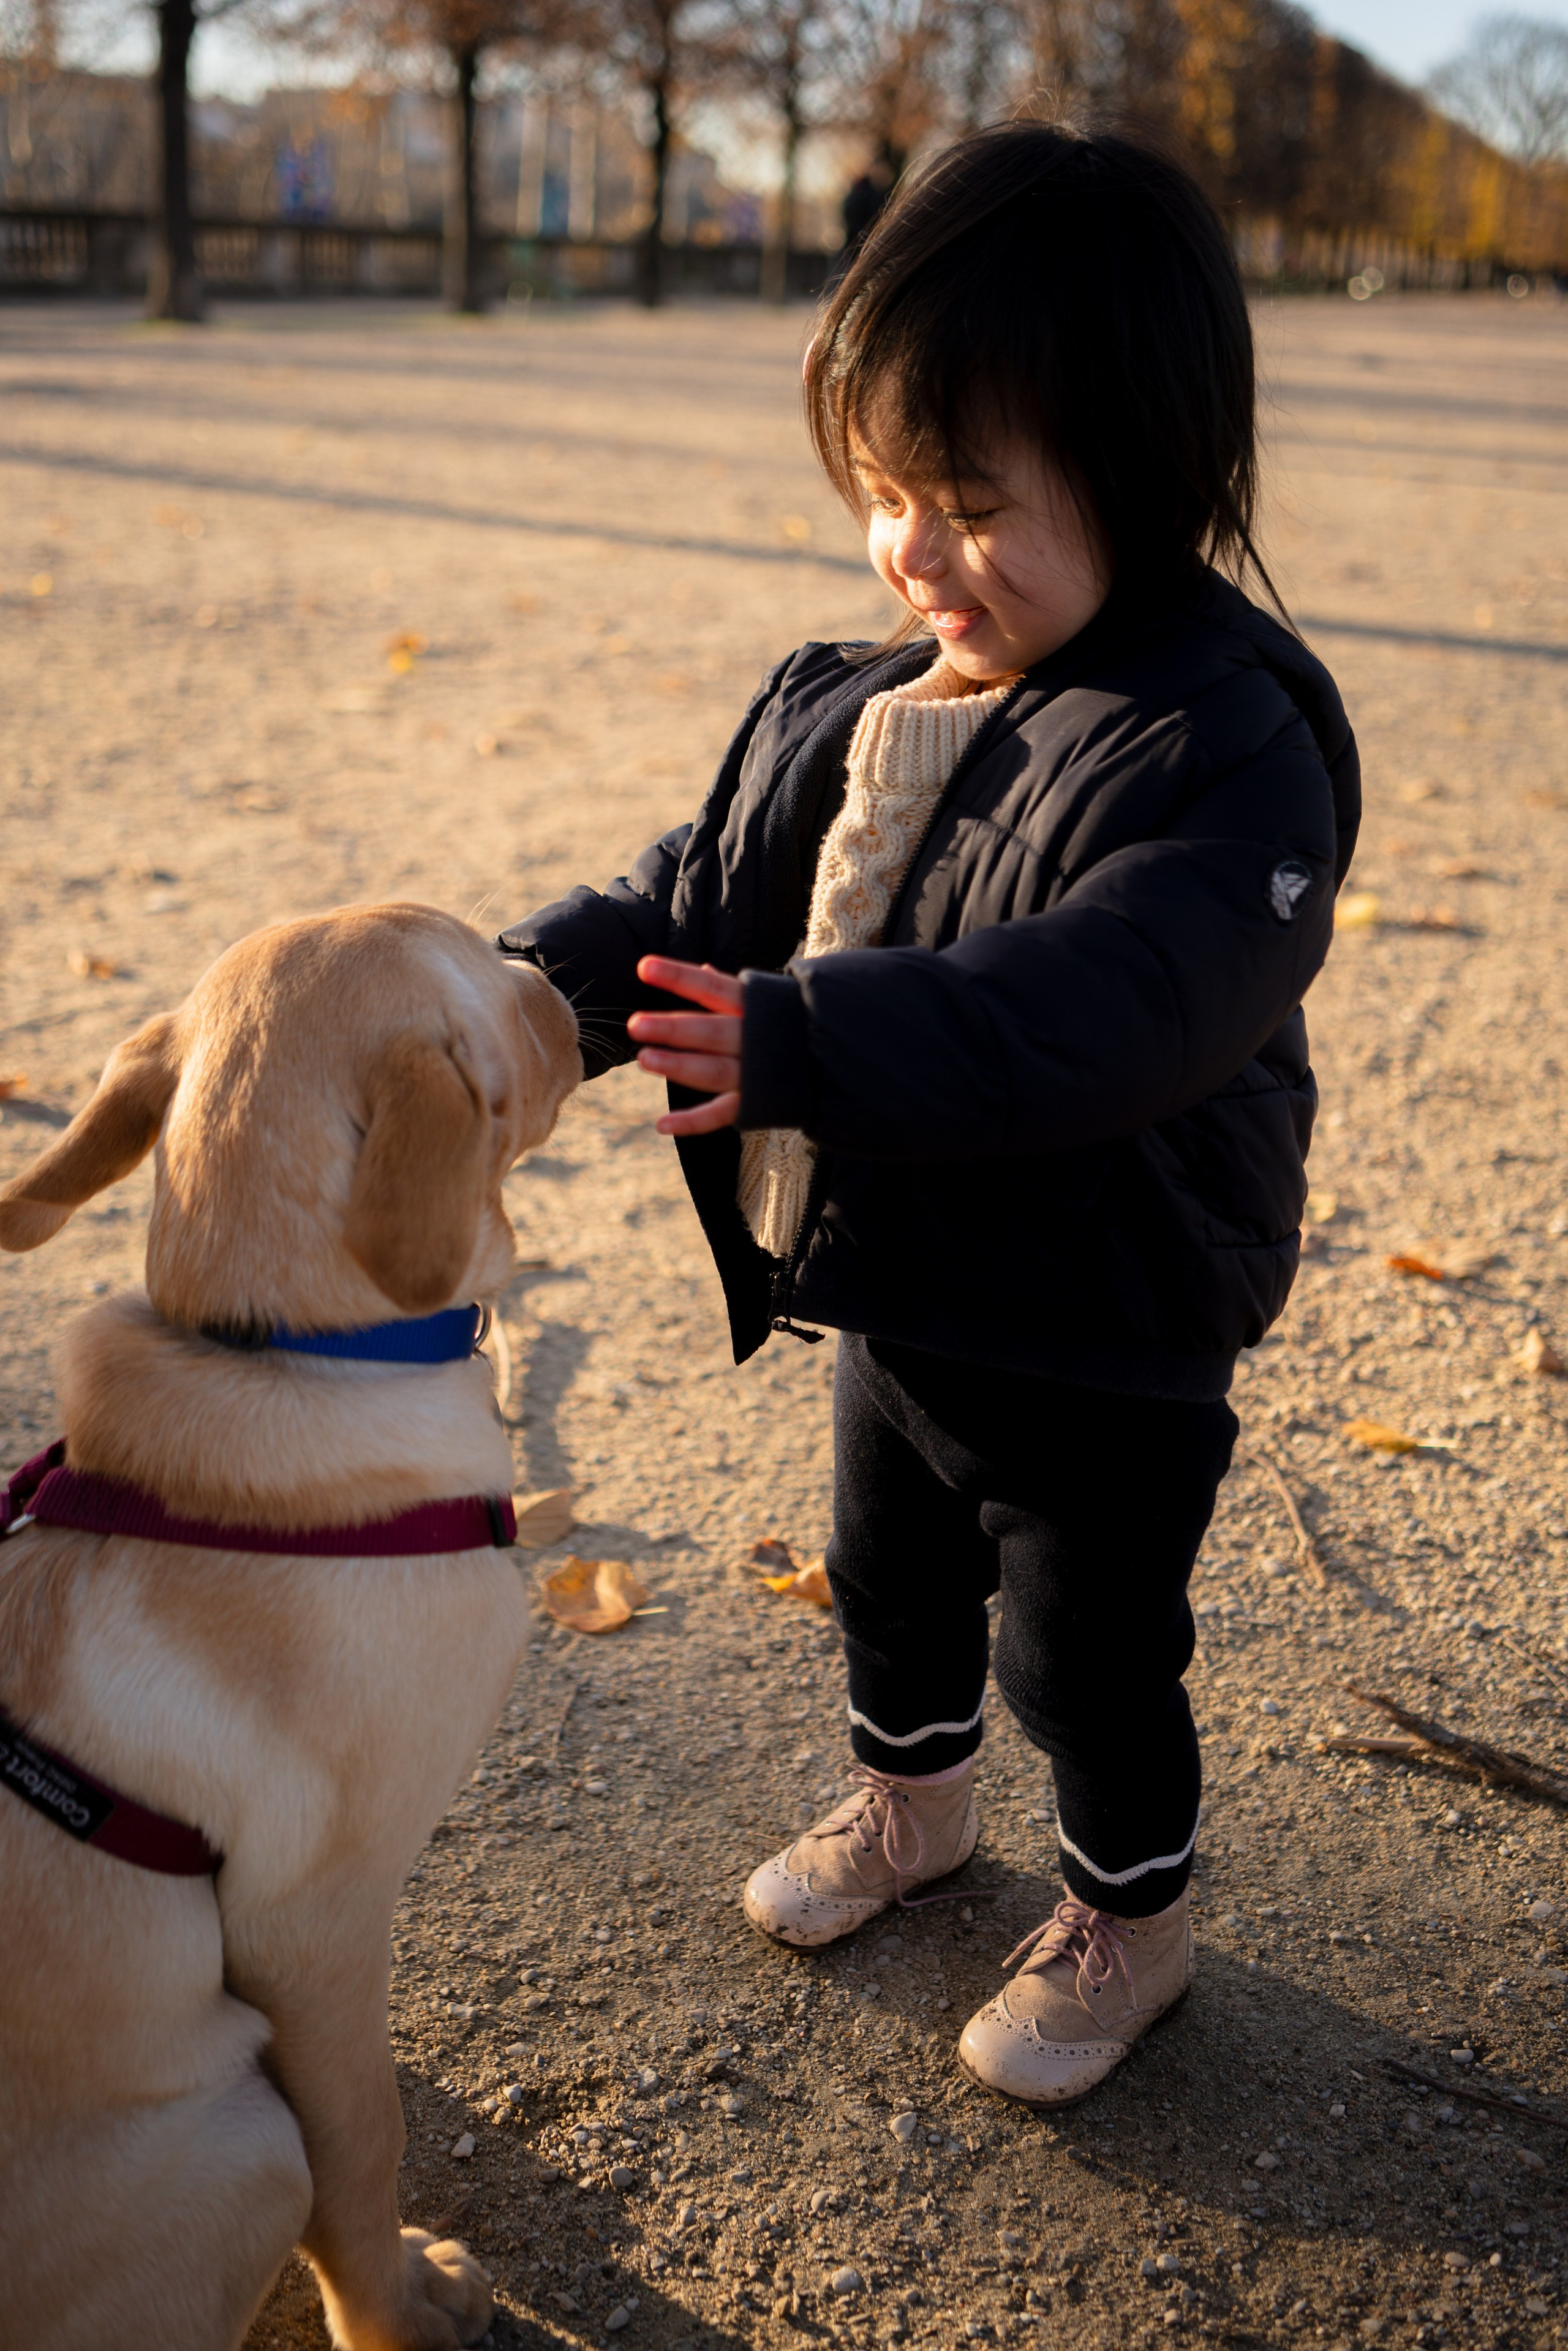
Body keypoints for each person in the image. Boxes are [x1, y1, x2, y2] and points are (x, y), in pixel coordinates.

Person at [497, 119, 1358, 2108]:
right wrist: (535, 995)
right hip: (901, 1271)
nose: (914, 553)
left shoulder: (1227, 749)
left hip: (1108, 1315)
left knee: (1082, 1651)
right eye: (885, 496)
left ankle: (1132, 1916)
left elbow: (1107, 1004)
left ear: (1147, 480)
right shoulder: (871, 696)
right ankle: (915, 1809)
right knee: (885, 1578)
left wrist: (810, 1045)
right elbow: (705, 891)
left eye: (971, 507)